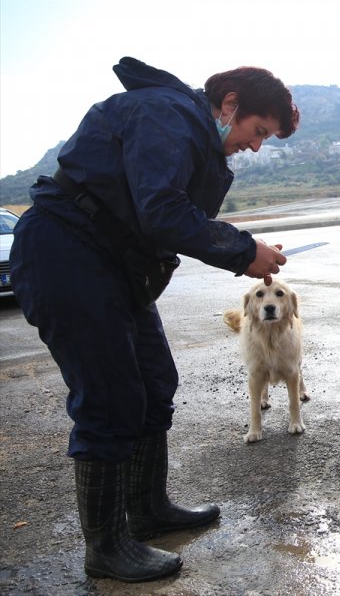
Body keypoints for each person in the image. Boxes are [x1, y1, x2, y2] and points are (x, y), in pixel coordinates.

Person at [9, 56, 300, 583]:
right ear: (230, 104)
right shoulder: (166, 114)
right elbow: (161, 210)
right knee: (109, 397)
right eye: (258, 131)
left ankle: (146, 510)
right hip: (67, 252)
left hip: (115, 266)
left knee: (154, 380)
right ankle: (106, 547)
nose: (256, 146)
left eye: (266, 140)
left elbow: (173, 219)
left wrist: (247, 249)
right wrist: (242, 250)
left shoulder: (192, 133)